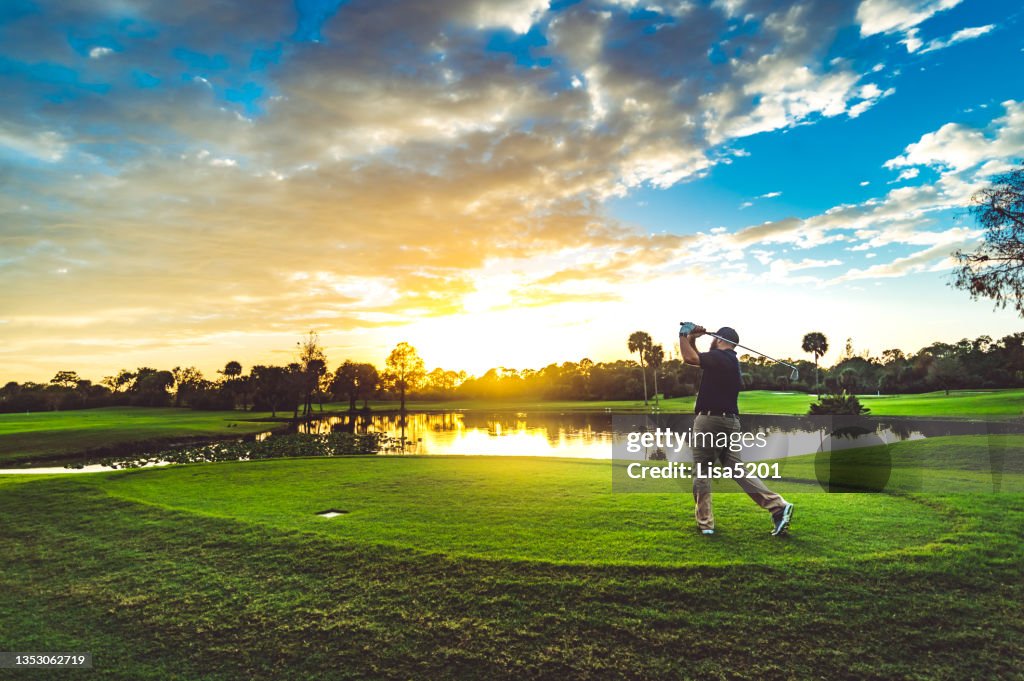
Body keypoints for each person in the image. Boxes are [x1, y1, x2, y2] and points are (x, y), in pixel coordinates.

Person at [679, 324, 794, 537]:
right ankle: (777, 506)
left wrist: (683, 334)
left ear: (720, 339)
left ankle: (706, 524)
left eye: (714, 338)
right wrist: (693, 340)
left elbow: (690, 359)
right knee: (735, 468)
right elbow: (697, 358)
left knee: (702, 471)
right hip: (730, 422)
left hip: (710, 420)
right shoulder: (728, 360)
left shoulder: (719, 357)